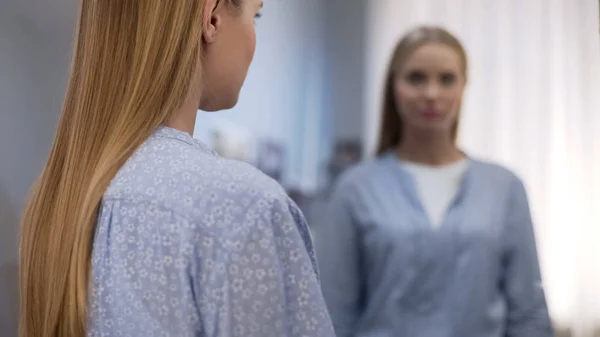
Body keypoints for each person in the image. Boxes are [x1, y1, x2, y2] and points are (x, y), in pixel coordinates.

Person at [18, 1, 334, 336]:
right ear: (210, 17)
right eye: (254, 15)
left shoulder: (55, 202)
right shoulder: (244, 210)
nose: (254, 34)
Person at [315, 26, 554, 337]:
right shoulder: (355, 188)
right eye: (416, 78)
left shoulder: (505, 188)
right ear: (393, 86)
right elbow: (333, 313)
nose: (431, 93)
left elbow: (529, 312)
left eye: (446, 79)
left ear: (463, 87)